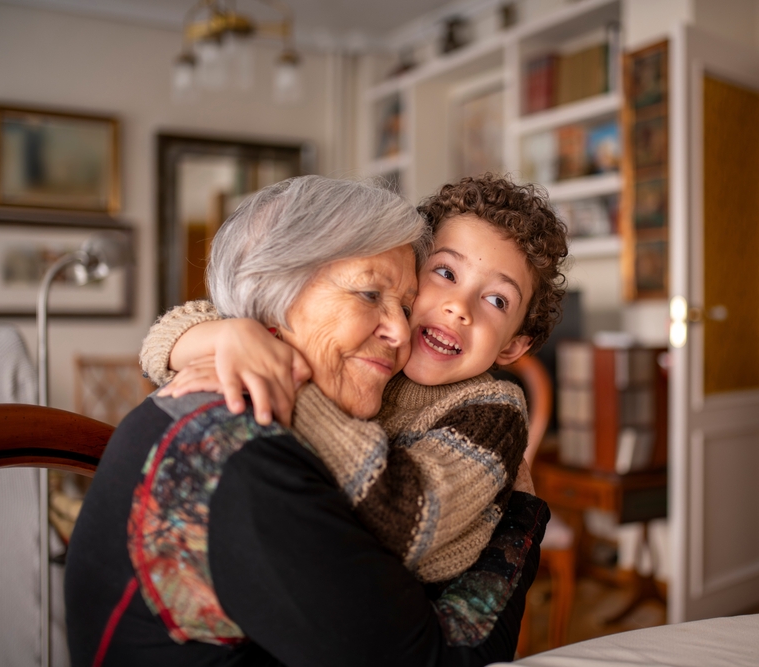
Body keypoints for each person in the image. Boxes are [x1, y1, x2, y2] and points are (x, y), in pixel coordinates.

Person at [64, 176, 550, 667]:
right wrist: (235, 339)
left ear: (514, 343)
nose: (402, 330)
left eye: (404, 305)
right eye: (368, 294)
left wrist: (272, 367)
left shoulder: (485, 406)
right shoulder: (243, 452)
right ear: (278, 292)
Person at [141, 175, 568, 584]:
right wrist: (228, 336)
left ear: (513, 346)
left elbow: (408, 522)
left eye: (497, 299)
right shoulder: (374, 352)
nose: (459, 307)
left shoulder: (493, 411)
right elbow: (159, 342)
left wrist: (287, 379)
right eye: (445, 273)